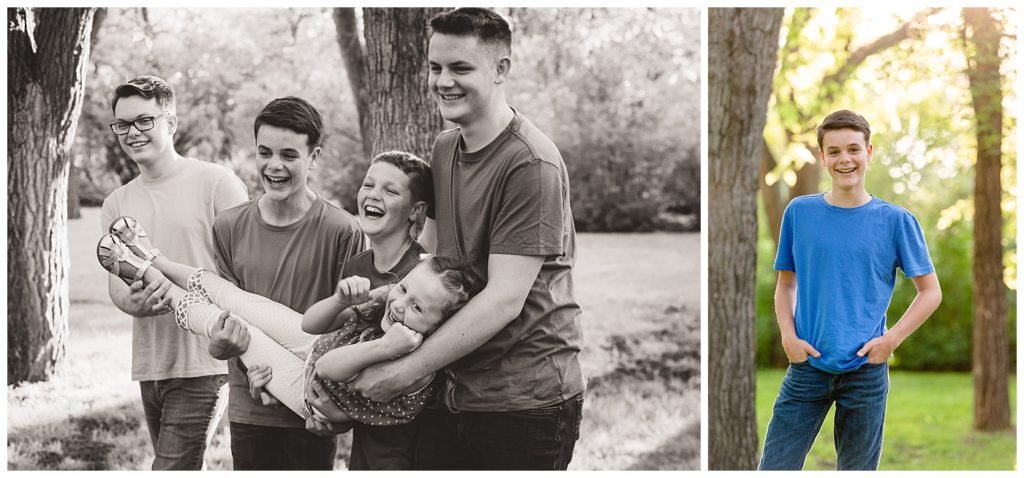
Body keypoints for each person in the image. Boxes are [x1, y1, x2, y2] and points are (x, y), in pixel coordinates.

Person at [349, 8, 586, 470]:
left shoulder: (530, 164)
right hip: (455, 390)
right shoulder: (444, 147)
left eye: (460, 68)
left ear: (501, 70)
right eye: (436, 67)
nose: (442, 81)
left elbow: (504, 299)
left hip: (524, 404)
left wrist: (404, 372)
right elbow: (433, 264)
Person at [95, 215, 482, 428]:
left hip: (308, 392)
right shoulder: (391, 298)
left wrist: (386, 346)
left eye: (418, 309)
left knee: (231, 327)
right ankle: (155, 259)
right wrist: (339, 300)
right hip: (315, 345)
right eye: (404, 290)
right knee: (236, 297)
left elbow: (331, 369)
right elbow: (313, 325)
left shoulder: (412, 366)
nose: (400, 305)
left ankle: (146, 275)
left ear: (439, 326)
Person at [758, 110, 942, 470]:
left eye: (854, 149)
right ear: (823, 157)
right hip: (808, 365)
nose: (846, 159)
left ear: (869, 152)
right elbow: (786, 284)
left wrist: (891, 341)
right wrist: (788, 337)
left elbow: (930, 292)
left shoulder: (895, 221)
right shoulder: (800, 213)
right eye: (835, 151)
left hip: (866, 372)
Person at [100, 75, 249, 470]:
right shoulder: (116, 202)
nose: (132, 133)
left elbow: (248, 275)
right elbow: (116, 286)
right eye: (123, 124)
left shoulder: (217, 182)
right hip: (150, 365)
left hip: (206, 361)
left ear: (172, 122)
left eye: (144, 120)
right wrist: (133, 302)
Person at [208, 96, 364, 470]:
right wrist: (231, 351)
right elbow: (226, 315)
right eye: (265, 152)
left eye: (289, 155)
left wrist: (297, 383)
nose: (274, 165)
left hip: (311, 408)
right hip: (249, 407)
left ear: (313, 157)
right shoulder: (228, 227)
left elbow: (351, 327)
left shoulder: (342, 230)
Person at [294, 151, 447, 469]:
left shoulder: (420, 278)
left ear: (415, 211)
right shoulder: (358, 265)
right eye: (369, 185)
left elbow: (410, 374)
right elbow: (332, 336)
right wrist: (336, 416)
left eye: (390, 191)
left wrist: (340, 413)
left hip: (405, 441)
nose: (374, 195)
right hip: (366, 433)